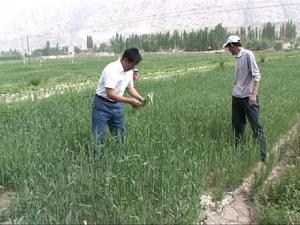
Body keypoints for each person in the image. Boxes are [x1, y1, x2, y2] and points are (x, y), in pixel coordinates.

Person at [92, 47, 145, 157]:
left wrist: (140, 98)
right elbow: (110, 94)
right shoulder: (111, 70)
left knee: (120, 136)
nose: (134, 68)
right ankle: (96, 162)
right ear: (125, 60)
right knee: (98, 137)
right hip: (102, 105)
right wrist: (130, 101)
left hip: (117, 106)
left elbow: (130, 88)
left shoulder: (129, 71)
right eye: (133, 64)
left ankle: (121, 157)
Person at [223, 35, 267, 162]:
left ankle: (263, 156)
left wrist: (253, 95)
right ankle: (239, 154)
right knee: (237, 126)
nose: (228, 50)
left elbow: (256, 76)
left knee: (256, 126)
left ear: (233, 45)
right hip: (236, 97)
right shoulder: (237, 58)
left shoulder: (248, 55)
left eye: (228, 47)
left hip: (248, 97)